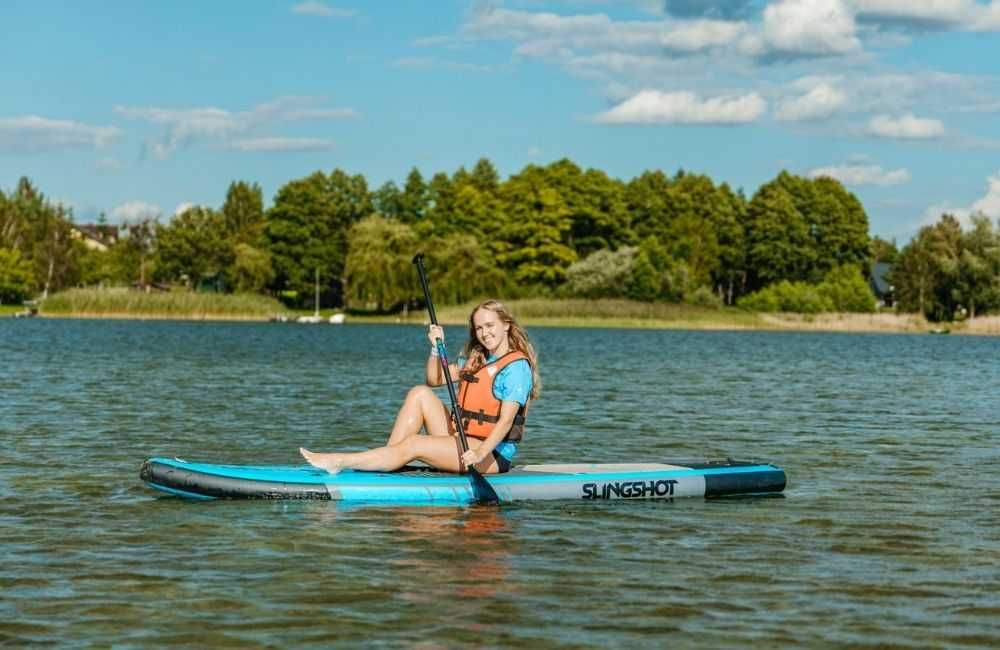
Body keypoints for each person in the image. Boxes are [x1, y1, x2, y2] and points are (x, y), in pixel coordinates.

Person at [300, 299, 539, 475]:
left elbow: (505, 421)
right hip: (463, 439)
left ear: (506, 325)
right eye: (479, 328)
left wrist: (479, 454)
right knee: (419, 394)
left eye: (490, 325)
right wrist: (437, 348)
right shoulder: (477, 360)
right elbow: (434, 380)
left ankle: (340, 461)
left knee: (415, 443)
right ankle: (390, 460)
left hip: (491, 455)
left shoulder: (516, 368)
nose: (485, 333)